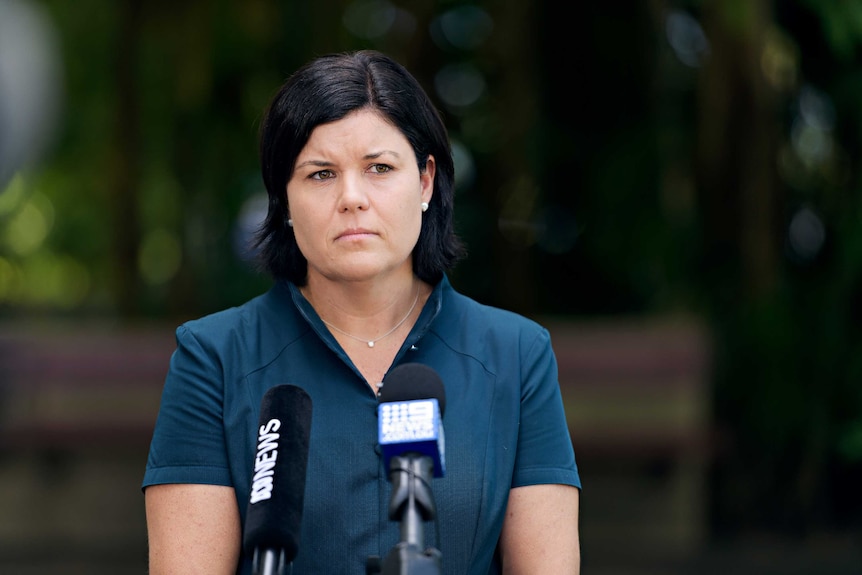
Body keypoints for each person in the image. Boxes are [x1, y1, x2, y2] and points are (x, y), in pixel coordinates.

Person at [142, 49, 581, 574]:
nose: (352, 197)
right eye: (321, 174)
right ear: (282, 198)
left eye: (379, 168)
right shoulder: (214, 357)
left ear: (424, 181)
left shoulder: (515, 354)